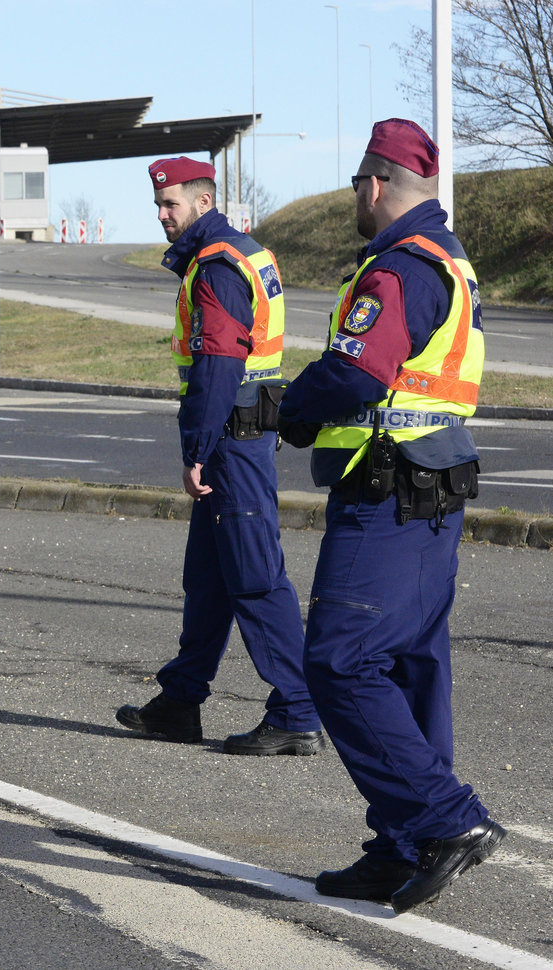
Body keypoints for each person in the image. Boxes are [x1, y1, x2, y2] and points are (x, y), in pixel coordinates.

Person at [277, 119, 503, 913]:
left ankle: (444, 821)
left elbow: (356, 372)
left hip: (384, 497)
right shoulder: (447, 262)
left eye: (353, 186)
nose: (353, 198)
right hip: (428, 496)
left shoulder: (396, 269)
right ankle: (402, 842)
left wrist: (290, 406)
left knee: (339, 662)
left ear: (373, 184)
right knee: (409, 667)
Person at [114, 157, 323, 757]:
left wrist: (196, 452)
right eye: (158, 205)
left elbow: (218, 367)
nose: (161, 215)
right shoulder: (241, 252)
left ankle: (297, 712)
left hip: (231, 444)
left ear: (203, 202)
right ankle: (180, 703)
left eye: (170, 204)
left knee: (256, 578)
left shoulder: (217, 267)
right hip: (239, 438)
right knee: (207, 581)